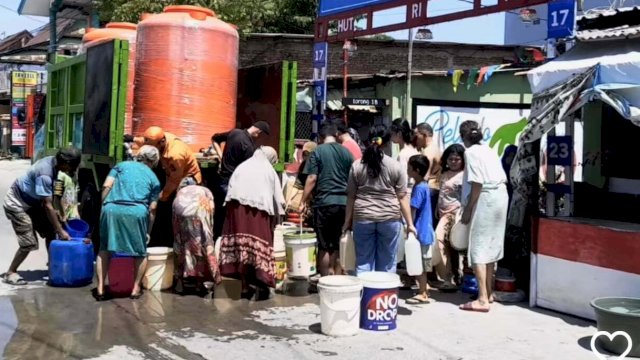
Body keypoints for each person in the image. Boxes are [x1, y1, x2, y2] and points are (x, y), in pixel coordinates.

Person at [2, 148, 81, 286]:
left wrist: (62, 215)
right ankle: (10, 272)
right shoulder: (45, 173)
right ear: (65, 163)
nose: (73, 170)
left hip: (33, 202)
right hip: (17, 204)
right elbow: (47, 204)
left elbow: (56, 195)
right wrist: (60, 231)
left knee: (50, 231)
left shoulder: (56, 166)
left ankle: (52, 267)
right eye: (73, 166)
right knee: (29, 243)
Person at [344, 125, 416, 274]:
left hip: (362, 217)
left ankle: (366, 296)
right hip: (389, 218)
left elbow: (351, 196)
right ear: (388, 143)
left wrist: (347, 222)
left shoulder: (357, 166)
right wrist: (410, 224)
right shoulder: (395, 166)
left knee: (363, 261)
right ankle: (383, 295)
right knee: (387, 263)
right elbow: (402, 197)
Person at [95, 145, 161, 301]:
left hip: (112, 209)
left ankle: (100, 288)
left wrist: (104, 206)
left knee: (104, 248)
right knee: (140, 251)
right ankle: (136, 288)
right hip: (136, 212)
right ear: (154, 161)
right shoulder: (154, 178)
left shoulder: (120, 166)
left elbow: (106, 186)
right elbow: (153, 208)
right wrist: (148, 231)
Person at [219, 146, 285, 301]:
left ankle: (243, 284)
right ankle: (261, 280)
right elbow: (278, 199)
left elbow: (231, 189)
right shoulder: (268, 170)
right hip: (257, 213)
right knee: (258, 245)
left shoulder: (242, 167)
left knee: (242, 247)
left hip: (236, 210)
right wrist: (277, 218)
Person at [458, 120, 508, 313]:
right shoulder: (489, 150)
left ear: (463, 138)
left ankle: (482, 299)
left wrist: (469, 208)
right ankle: (488, 292)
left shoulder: (470, 152)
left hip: (486, 196)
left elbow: (477, 183)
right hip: (501, 195)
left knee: (478, 247)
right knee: (491, 245)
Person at [300, 124, 354, 278]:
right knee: (338, 245)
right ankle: (336, 279)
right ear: (336, 135)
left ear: (320, 138)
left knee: (324, 246)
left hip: (323, 203)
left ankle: (324, 280)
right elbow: (353, 178)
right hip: (343, 204)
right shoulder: (346, 152)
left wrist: (303, 201)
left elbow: (312, 178)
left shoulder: (317, 151)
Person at [144, 126, 202, 247]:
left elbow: (174, 181)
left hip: (186, 178)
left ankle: (180, 240)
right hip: (171, 175)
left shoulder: (175, 155)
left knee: (179, 208)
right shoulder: (159, 139)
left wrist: (162, 196)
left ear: (162, 142)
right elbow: (144, 141)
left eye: (155, 148)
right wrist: (132, 139)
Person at [213, 120, 271, 240]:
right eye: (260, 134)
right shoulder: (248, 147)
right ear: (258, 131)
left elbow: (214, 139)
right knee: (230, 217)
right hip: (233, 184)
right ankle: (227, 241)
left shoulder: (234, 132)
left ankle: (216, 241)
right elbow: (247, 172)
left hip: (221, 180)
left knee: (218, 215)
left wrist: (221, 157)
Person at [172, 178, 221, 295]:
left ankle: (180, 282)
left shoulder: (180, 192)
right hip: (200, 208)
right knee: (203, 243)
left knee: (181, 244)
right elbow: (212, 208)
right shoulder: (205, 190)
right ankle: (203, 281)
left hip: (180, 208)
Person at [434, 144, 466, 290]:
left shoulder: (464, 175)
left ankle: (447, 277)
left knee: (439, 240)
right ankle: (453, 276)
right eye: (451, 159)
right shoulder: (444, 173)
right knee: (448, 247)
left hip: (455, 214)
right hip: (442, 212)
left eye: (457, 159)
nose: (453, 162)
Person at [405, 155, 435, 304]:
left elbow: (413, 209)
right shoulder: (424, 185)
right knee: (422, 263)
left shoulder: (418, 188)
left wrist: (409, 226)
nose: (407, 169)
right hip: (426, 230)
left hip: (420, 231)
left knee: (419, 264)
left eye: (409, 167)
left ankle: (422, 292)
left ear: (416, 170)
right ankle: (424, 287)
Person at [414, 123, 442, 224]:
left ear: (424, 135)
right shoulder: (435, 147)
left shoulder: (428, 151)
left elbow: (424, 176)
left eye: (416, 136)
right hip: (435, 188)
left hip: (429, 190)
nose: (415, 139)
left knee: (425, 223)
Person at [390, 118, 419, 191]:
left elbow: (403, 180)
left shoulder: (403, 154)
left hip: (407, 193)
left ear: (399, 133)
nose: (391, 135)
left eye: (392, 133)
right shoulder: (414, 150)